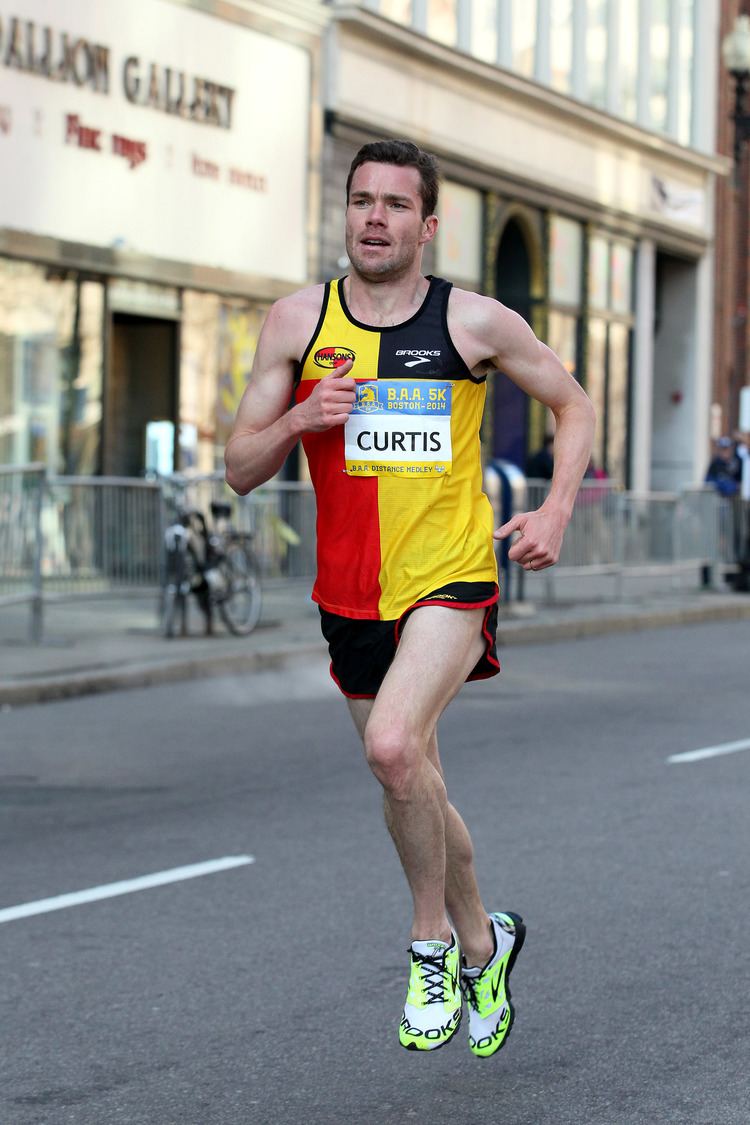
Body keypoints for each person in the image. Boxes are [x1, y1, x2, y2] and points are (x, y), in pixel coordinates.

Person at [225, 139, 595, 1058]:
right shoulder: (295, 324)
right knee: (415, 777)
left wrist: (555, 509)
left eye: (395, 204)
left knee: (392, 748)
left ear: (428, 225)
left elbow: (574, 403)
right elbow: (238, 467)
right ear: (345, 213)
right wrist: (302, 419)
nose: (375, 218)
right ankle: (485, 941)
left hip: (450, 577)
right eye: (362, 201)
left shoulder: (473, 322)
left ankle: (429, 945)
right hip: (349, 592)